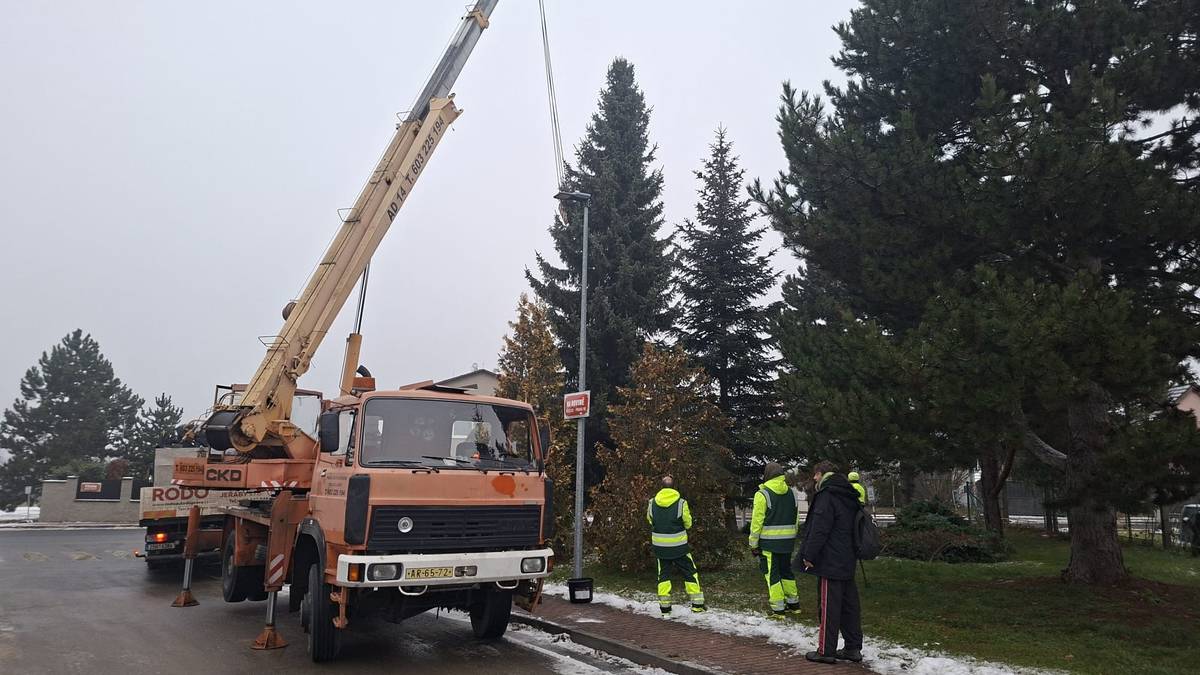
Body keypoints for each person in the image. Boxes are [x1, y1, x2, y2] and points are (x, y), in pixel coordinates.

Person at [797, 461, 863, 665]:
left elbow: (819, 529)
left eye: (816, 475)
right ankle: (853, 648)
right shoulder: (849, 494)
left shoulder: (827, 495)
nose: (814, 479)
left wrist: (809, 555)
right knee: (849, 605)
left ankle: (826, 650)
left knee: (829, 607)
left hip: (830, 560)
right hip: (847, 558)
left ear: (822, 474)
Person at [647, 475, 705, 614]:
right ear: (674, 487)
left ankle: (665, 608)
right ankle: (697, 605)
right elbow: (688, 523)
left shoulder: (652, 502)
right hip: (679, 547)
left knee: (663, 575)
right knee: (690, 572)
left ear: (661, 487)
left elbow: (650, 520)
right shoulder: (681, 503)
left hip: (660, 547)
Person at [748, 462, 801, 617]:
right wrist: (791, 536)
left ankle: (778, 609)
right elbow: (796, 519)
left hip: (769, 544)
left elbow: (757, 522)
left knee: (772, 575)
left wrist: (753, 544)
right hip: (787, 542)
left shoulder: (762, 494)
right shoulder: (792, 493)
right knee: (786, 572)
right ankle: (794, 604)